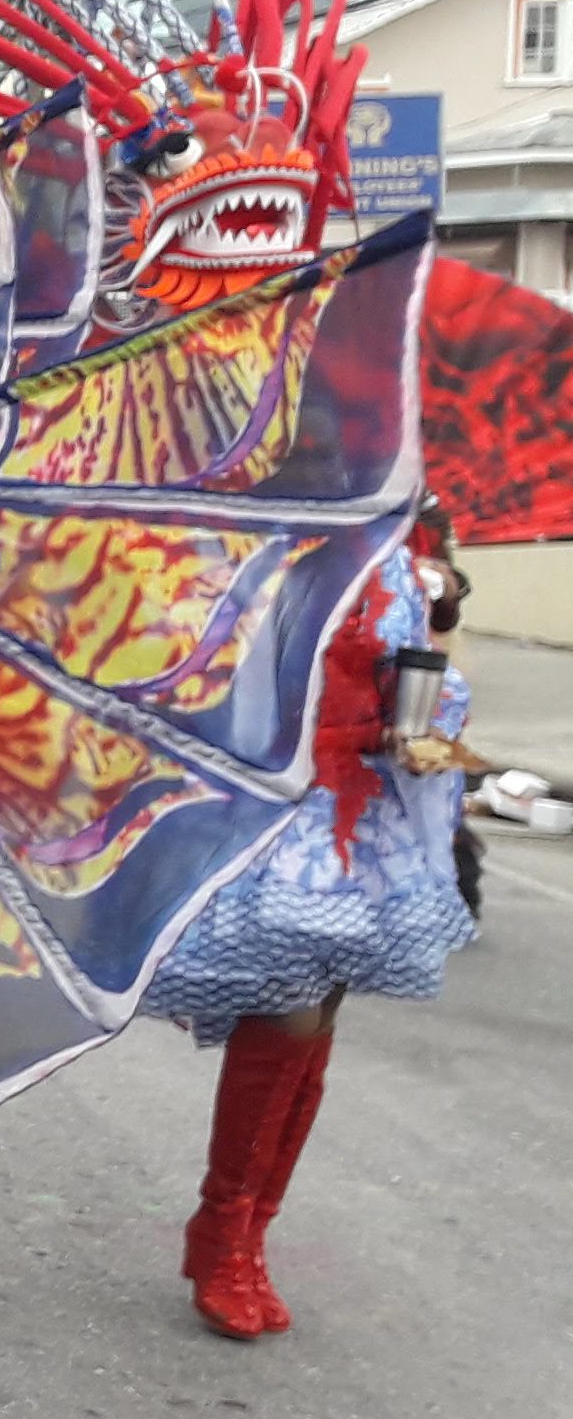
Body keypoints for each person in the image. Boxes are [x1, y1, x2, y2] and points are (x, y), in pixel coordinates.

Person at [146, 498, 474, 1339]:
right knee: (288, 1008)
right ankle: (219, 1231)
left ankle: (251, 1233)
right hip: (286, 807)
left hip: (368, 811)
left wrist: (440, 612)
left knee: (322, 1013)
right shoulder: (283, 538)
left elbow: (426, 673)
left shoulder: (406, 547)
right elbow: (221, 673)